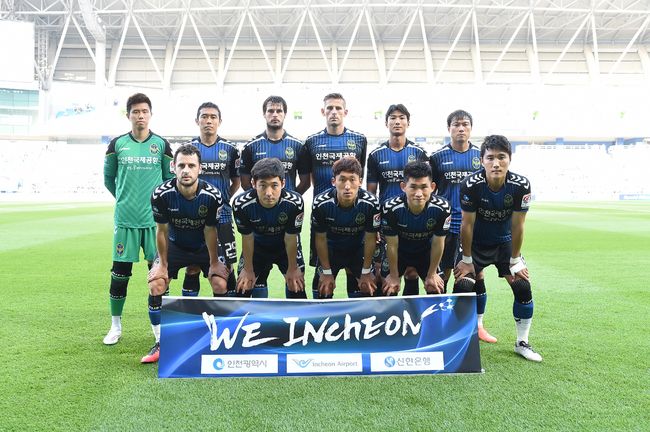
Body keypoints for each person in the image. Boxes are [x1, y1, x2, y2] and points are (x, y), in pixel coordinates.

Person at [453, 135, 542, 362]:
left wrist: (515, 260)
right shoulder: (471, 185)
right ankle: (460, 341)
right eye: (490, 157)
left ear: (509, 159)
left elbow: (518, 225)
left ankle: (522, 342)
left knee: (522, 285)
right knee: (464, 284)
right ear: (481, 160)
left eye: (501, 157)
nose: (496, 163)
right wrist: (466, 259)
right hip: (476, 244)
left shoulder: (520, 185)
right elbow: (467, 225)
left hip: (504, 244)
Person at [143, 144, 228, 363]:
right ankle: (161, 341)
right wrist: (162, 265)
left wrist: (214, 263)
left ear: (200, 168)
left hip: (203, 246)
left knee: (220, 283)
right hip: (175, 246)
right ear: (173, 167)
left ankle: (221, 339)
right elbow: (161, 231)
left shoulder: (212, 196)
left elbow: (211, 231)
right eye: (181, 165)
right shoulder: (161, 194)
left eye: (191, 165)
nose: (186, 170)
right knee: (156, 284)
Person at [102, 92, 173, 346]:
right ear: (128, 115)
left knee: (159, 276)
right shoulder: (117, 145)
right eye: (135, 112)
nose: (140, 116)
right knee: (120, 274)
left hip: (155, 224)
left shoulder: (162, 145)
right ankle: (115, 326)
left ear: (150, 114)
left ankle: (160, 331)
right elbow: (108, 179)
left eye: (144, 111)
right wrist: (124, 199)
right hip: (125, 221)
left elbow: (169, 181)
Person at [429, 110, 496, 342]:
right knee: (443, 275)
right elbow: (431, 191)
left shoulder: (480, 156)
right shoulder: (437, 157)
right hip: (446, 227)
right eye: (456, 124)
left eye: (465, 124)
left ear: (471, 128)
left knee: (478, 274)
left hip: (473, 228)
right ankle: (440, 324)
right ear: (449, 128)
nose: (461, 128)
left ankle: (478, 325)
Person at [301, 93, 367, 297]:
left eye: (338, 108)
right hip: (323, 215)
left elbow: (359, 174)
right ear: (323, 112)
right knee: (323, 276)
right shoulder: (311, 141)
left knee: (355, 274)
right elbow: (309, 178)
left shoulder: (359, 140)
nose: (334, 112)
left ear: (345, 112)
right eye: (329, 108)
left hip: (353, 215)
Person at [366, 104, 428, 296]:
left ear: (408, 122)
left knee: (411, 271)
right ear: (386, 123)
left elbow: (426, 190)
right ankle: (386, 314)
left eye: (402, 118)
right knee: (382, 272)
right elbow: (371, 193)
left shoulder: (419, 153)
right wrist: (375, 225)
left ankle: (410, 313)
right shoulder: (376, 155)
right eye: (393, 118)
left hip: (414, 221)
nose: (397, 121)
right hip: (387, 221)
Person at [183, 102, 240, 297]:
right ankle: (189, 311)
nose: (208, 121)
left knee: (226, 267)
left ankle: (230, 312)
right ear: (197, 121)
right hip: (193, 218)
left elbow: (236, 181)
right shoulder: (188, 149)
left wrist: (222, 200)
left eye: (213, 117)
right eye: (204, 116)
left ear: (219, 121)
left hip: (222, 218)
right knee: (192, 267)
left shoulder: (230, 149)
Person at [233, 158, 306, 299]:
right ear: (253, 184)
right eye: (262, 185)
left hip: (284, 248)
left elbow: (291, 237)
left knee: (296, 285)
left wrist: (292, 268)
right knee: (243, 287)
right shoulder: (241, 204)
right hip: (257, 247)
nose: (268, 193)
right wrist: (248, 269)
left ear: (283, 183)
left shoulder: (295, 202)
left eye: (274, 185)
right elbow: (247, 238)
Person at [311, 157, 380, 299]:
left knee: (369, 288)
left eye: (352, 180)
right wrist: (326, 272)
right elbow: (320, 239)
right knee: (322, 289)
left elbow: (370, 238)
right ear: (333, 181)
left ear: (360, 181)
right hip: (331, 250)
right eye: (342, 180)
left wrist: (366, 271)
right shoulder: (321, 203)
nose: (347, 186)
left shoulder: (371, 203)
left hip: (357, 249)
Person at [381, 161, 450, 296]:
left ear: (432, 187)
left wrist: (431, 274)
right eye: (413, 187)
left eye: (424, 187)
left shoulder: (442, 208)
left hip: (425, 252)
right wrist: (394, 276)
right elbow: (392, 245)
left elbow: (438, 243)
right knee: (388, 288)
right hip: (400, 252)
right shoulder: (390, 208)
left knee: (435, 287)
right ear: (403, 187)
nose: (419, 193)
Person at [239, 95, 310, 194]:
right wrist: (258, 199)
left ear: (285, 114)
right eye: (270, 111)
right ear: (264, 114)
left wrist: (292, 199)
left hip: (288, 203)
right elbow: (245, 183)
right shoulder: (250, 147)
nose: (275, 115)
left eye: (279, 111)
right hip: (260, 202)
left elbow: (305, 182)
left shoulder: (298, 146)